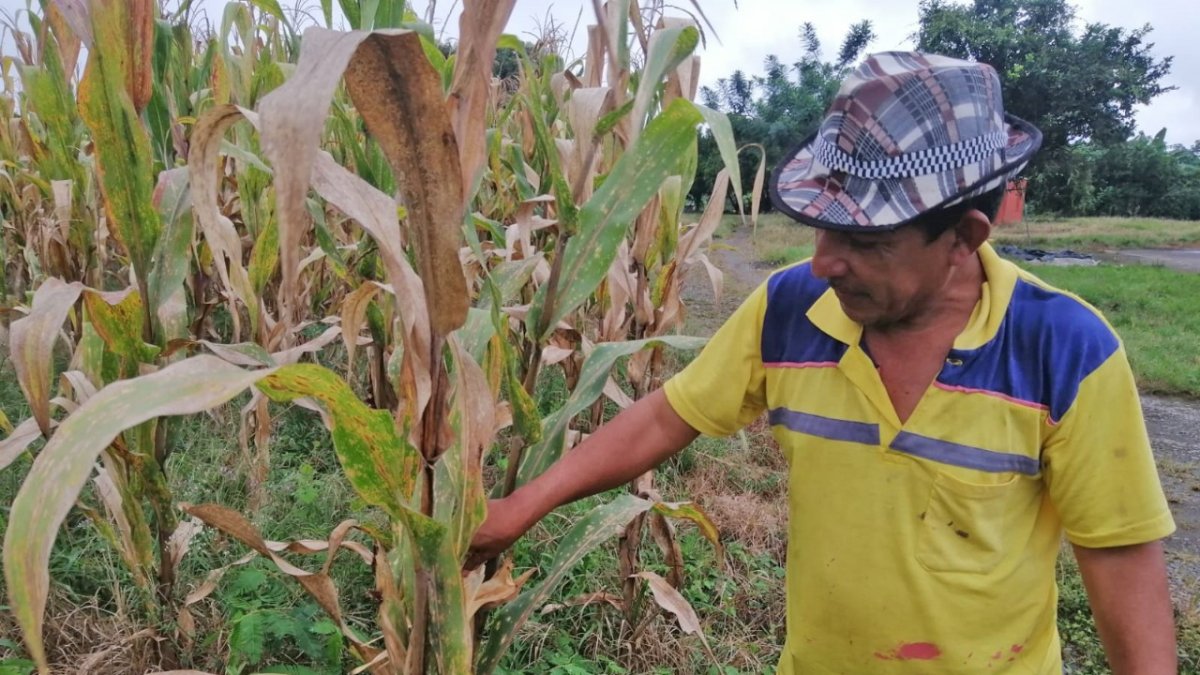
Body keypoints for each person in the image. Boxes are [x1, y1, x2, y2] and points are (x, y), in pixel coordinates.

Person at [468, 52, 1177, 673]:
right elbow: (670, 414)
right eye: (821, 230)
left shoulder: (1065, 349)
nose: (823, 262)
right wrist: (520, 508)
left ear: (964, 236)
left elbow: (1118, 557)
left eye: (865, 243)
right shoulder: (790, 308)